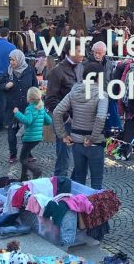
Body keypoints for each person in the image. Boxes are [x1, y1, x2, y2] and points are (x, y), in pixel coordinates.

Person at [53, 62, 108, 189]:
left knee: (79, 181)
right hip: (95, 144)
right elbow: (100, 117)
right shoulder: (102, 94)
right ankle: (94, 208)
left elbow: (57, 112)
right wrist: (93, 138)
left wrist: (63, 135)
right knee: (96, 183)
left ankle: (78, 207)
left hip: (77, 141)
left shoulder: (74, 91)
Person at [45, 39, 83, 176]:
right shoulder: (57, 71)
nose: (83, 54)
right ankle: (60, 188)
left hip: (79, 119)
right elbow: (50, 100)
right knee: (63, 158)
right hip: (64, 121)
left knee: (80, 156)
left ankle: (73, 187)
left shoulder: (80, 67)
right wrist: (67, 118)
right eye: (79, 51)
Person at [0, 49, 38, 163]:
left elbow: (35, 87)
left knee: (27, 132)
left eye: (13, 59)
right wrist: (6, 86)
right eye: (10, 59)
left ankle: (28, 154)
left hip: (27, 107)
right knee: (12, 132)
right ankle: (13, 155)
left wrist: (37, 102)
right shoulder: (7, 72)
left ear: (19, 59)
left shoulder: (30, 70)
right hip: (12, 107)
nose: (11, 62)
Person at [14, 87, 52, 181]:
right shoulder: (41, 108)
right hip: (38, 137)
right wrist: (40, 123)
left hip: (29, 137)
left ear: (29, 98)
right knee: (25, 157)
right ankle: (23, 177)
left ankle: (35, 170)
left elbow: (28, 121)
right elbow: (49, 121)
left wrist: (17, 113)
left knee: (22, 159)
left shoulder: (30, 108)